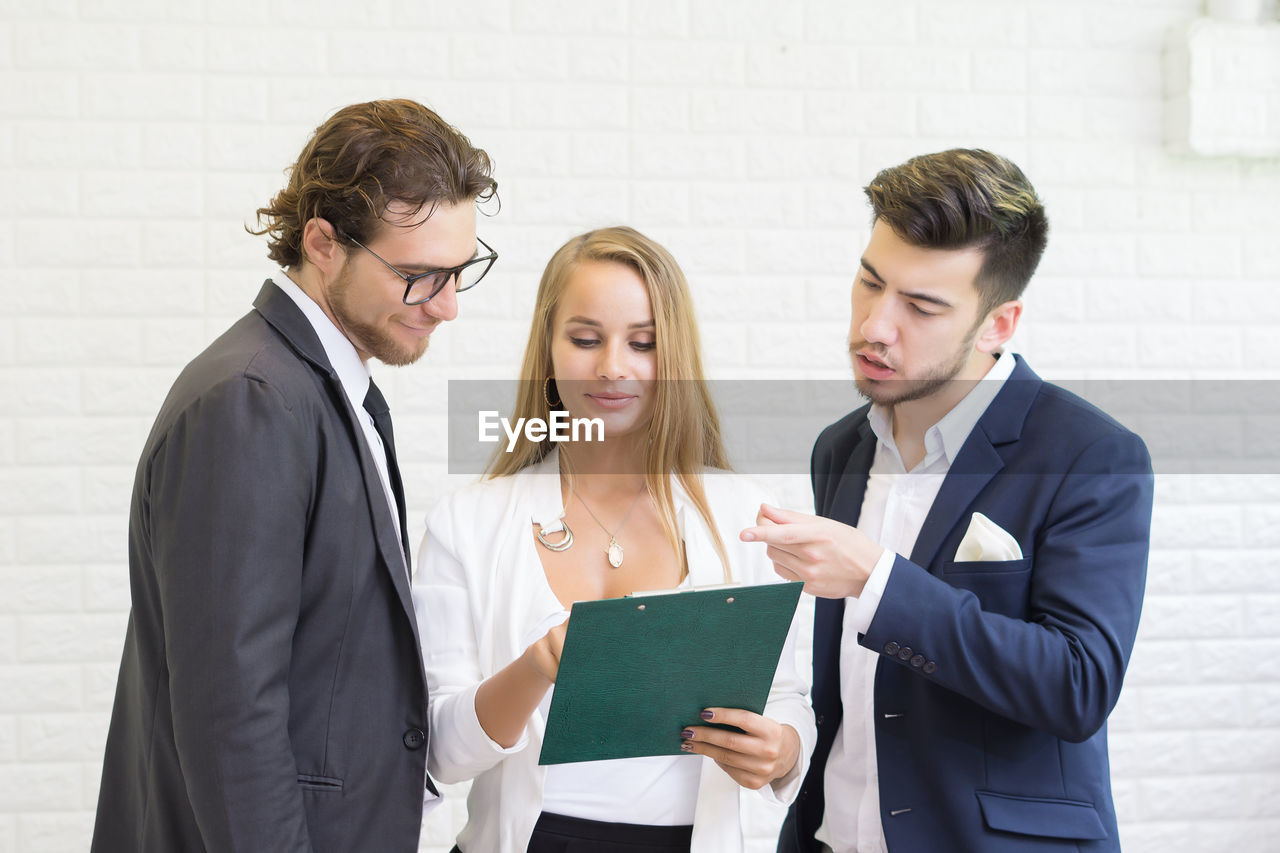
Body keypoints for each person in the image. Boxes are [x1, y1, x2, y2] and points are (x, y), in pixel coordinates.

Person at [91, 99, 497, 853]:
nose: (445, 307)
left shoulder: (326, 391)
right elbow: (230, 714)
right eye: (417, 276)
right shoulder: (250, 402)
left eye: (458, 272)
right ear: (323, 243)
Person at [746, 149, 1154, 853]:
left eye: (922, 306)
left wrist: (878, 580)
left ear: (999, 323)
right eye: (870, 283)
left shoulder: (1089, 455)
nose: (875, 325)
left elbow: (1078, 684)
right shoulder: (839, 448)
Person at [413, 226, 816, 853]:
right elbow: (441, 750)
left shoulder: (746, 515)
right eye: (584, 339)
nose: (612, 368)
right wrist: (540, 665)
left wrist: (782, 750)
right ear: (547, 348)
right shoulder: (468, 522)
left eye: (644, 343)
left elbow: (788, 698)